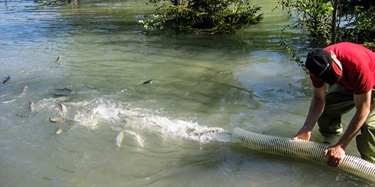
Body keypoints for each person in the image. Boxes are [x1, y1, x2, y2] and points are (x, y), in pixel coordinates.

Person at [293, 42, 375, 167]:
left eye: (336, 72)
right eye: (332, 78)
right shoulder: (316, 68)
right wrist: (306, 128)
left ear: (333, 56)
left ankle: (370, 168)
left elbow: (363, 109)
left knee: (369, 127)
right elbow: (319, 99)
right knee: (327, 110)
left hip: (370, 82)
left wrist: (341, 146)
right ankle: (329, 141)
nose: (337, 77)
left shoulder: (357, 64)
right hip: (350, 84)